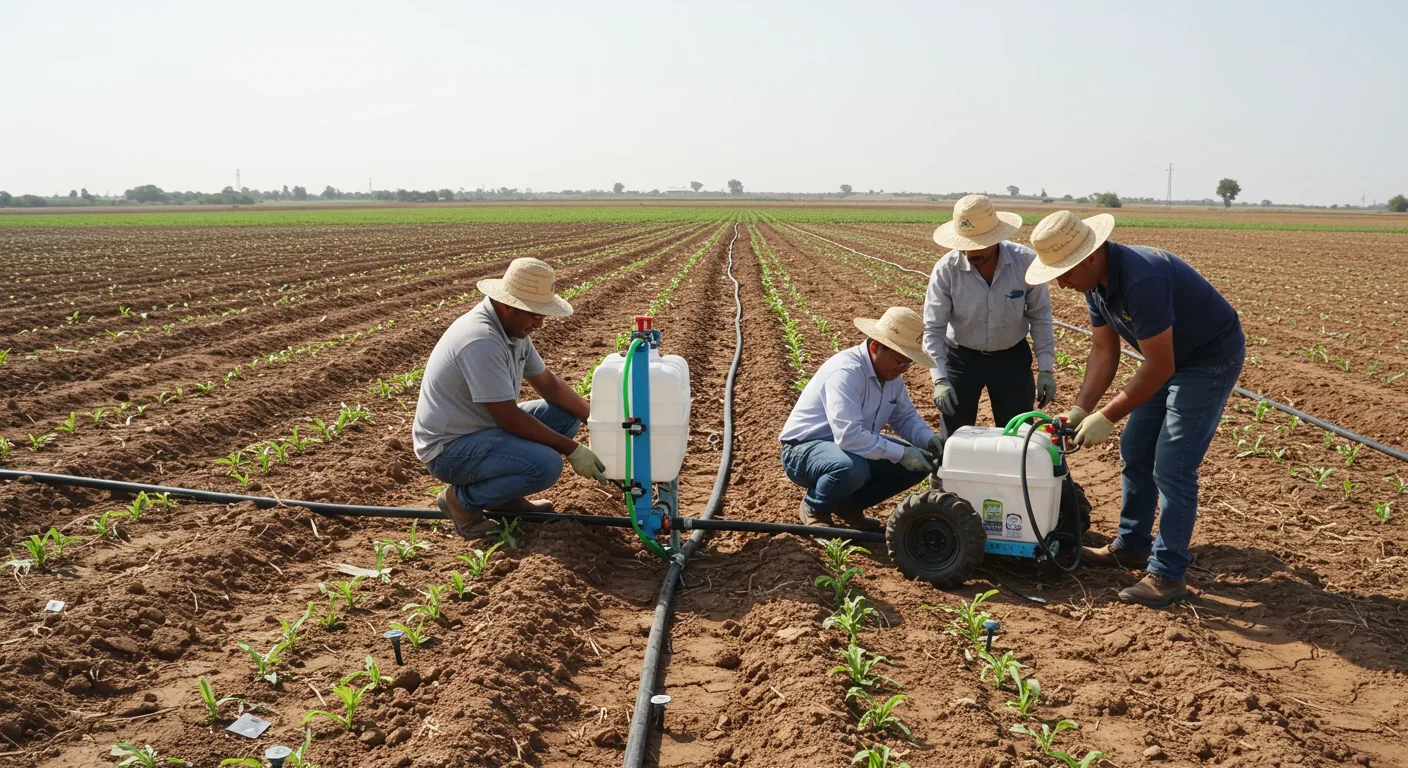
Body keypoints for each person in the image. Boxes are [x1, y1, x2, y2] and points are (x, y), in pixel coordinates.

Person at [1024, 210, 1245, 607]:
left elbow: (1161, 366)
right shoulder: (1094, 284)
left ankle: (1167, 573)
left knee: (1173, 463)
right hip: (1169, 358)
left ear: (1091, 256)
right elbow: (1104, 350)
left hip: (1208, 358)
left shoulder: (1144, 278)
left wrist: (1107, 415)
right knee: (1136, 447)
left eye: (1065, 271)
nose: (1061, 282)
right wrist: (1080, 409)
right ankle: (1131, 547)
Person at [412, 257, 609, 539]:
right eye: (534, 314)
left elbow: (548, 384)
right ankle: (461, 501)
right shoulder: (481, 339)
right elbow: (507, 416)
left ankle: (505, 500)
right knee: (546, 464)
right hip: (449, 448)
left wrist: (599, 420)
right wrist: (572, 449)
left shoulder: (513, 330)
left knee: (562, 417)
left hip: (481, 429)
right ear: (507, 305)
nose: (539, 324)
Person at [779, 307, 945, 530]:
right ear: (876, 346)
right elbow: (849, 436)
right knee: (852, 468)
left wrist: (928, 439)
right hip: (804, 449)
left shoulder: (891, 375)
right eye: (900, 360)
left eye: (909, 363)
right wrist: (902, 453)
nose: (903, 369)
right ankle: (815, 507)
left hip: (849, 446)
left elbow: (904, 417)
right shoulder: (846, 372)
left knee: (917, 464)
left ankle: (848, 505)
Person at [924, 195, 1057, 438]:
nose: (971, 250)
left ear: (996, 238)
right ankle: (943, 477)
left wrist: (1046, 370)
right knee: (954, 435)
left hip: (1011, 358)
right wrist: (939, 379)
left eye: (979, 243)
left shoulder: (1024, 262)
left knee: (1016, 434)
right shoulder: (946, 270)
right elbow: (933, 328)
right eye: (967, 243)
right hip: (961, 357)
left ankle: (1015, 476)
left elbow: (1040, 317)